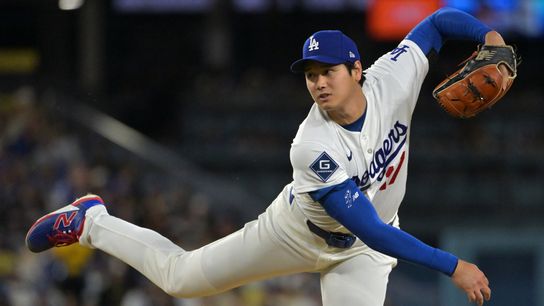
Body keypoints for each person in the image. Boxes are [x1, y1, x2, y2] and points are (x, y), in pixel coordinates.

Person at [26, 7, 513, 306]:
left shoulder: (394, 76)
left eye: (329, 72)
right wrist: (453, 266)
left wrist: (490, 39)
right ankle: (92, 221)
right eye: (310, 74)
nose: (319, 83)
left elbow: (437, 22)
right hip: (299, 233)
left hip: (361, 257)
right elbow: (370, 228)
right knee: (181, 279)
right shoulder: (312, 145)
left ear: (357, 70)